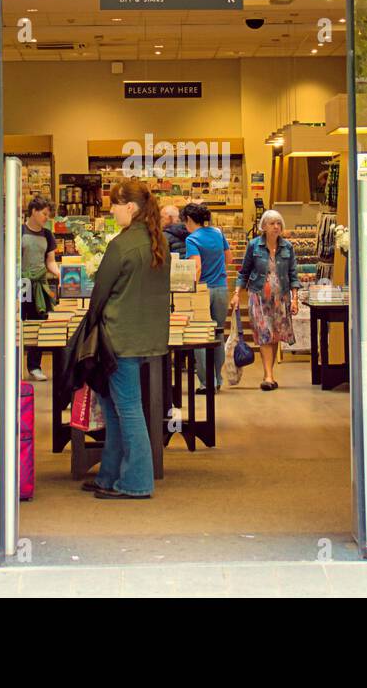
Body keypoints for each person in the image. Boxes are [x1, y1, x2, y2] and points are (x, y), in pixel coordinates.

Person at [83, 179, 171, 499]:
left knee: (128, 408)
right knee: (114, 407)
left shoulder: (121, 246)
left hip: (117, 338)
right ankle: (109, 475)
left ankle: (136, 481)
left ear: (130, 208)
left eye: (115, 205)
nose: (112, 211)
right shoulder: (157, 242)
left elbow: (100, 294)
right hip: (144, 337)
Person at [230, 209, 299, 391]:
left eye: (278, 223)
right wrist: (237, 293)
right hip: (258, 295)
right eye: (272, 223)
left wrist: (295, 299)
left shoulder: (287, 248)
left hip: (281, 297)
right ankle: (268, 376)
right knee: (264, 333)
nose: (276, 227)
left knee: (275, 335)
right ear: (264, 227)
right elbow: (243, 272)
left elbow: (293, 275)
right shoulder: (254, 246)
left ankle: (270, 374)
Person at [182, 202, 231, 393]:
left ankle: (206, 382)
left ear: (188, 220)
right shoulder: (218, 233)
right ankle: (218, 378)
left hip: (202, 290)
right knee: (217, 334)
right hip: (221, 288)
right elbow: (229, 258)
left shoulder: (192, 239)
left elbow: (196, 267)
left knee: (199, 335)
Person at [21, 196, 60, 382]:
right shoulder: (19, 231)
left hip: (40, 285)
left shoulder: (47, 235)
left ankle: (34, 366)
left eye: (48, 214)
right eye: (44, 213)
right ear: (34, 211)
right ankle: (13, 364)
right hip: (22, 283)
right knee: (18, 323)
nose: (47, 217)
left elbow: (50, 261)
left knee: (38, 324)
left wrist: (63, 275)